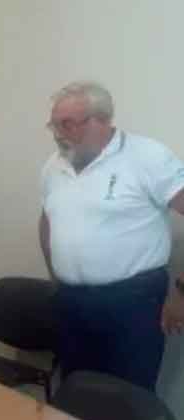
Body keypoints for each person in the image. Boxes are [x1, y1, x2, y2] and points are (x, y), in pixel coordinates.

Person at [40, 81, 184, 391]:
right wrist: (56, 272)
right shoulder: (54, 165)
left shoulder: (147, 156)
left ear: (101, 121)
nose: (57, 132)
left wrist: (182, 292)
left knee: (128, 402)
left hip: (132, 303)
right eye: (53, 123)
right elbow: (48, 218)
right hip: (72, 302)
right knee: (77, 395)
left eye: (66, 124)